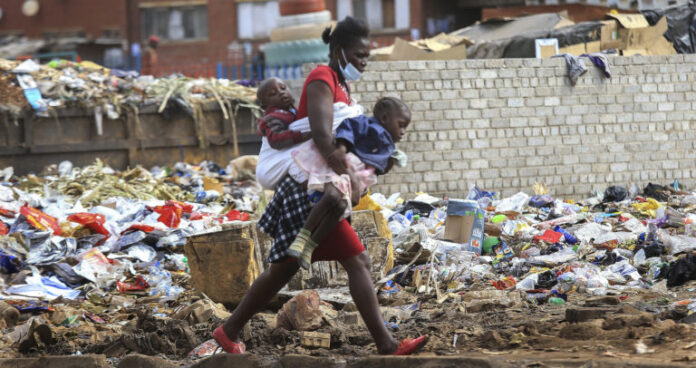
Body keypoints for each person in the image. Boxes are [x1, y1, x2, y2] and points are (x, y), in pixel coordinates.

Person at [212, 16, 427, 356]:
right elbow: (324, 137)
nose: (363, 62)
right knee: (357, 261)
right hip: (308, 190)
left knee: (283, 270)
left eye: (366, 56)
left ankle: (228, 330)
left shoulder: (342, 85)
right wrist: (349, 175)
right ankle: (386, 345)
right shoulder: (321, 79)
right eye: (359, 55)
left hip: (317, 190)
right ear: (339, 51)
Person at [287, 96, 411, 269]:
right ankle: (301, 238)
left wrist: (387, 165)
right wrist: (342, 148)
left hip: (357, 178)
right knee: (331, 196)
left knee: (338, 211)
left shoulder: (389, 147)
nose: (403, 131)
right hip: (344, 166)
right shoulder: (367, 124)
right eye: (401, 125)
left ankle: (310, 246)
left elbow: (376, 167)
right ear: (384, 119)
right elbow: (348, 128)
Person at [256, 77, 311, 150]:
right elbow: (275, 139)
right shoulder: (272, 118)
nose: (281, 92)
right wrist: (304, 135)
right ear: (265, 105)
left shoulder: (291, 110)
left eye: (283, 88)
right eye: (273, 93)